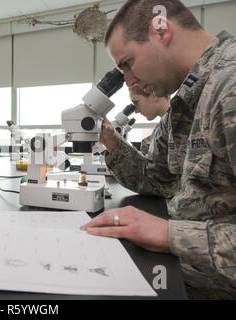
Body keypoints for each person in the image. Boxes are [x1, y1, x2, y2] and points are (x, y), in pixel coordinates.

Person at [79, 0, 236, 299]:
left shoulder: (229, 88)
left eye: (127, 63)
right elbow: (153, 177)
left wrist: (168, 234)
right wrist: (112, 142)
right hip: (178, 267)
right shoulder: (185, 102)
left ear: (161, 30)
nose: (129, 80)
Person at [100, 85, 176, 197]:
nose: (135, 110)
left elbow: (155, 183)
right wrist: (111, 140)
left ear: (153, 94)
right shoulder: (165, 126)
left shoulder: (176, 125)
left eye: (136, 102)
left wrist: (113, 141)